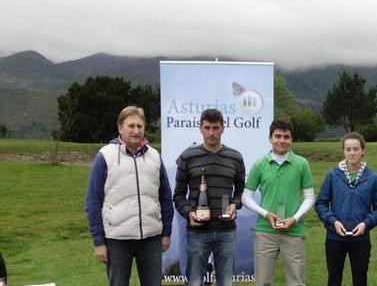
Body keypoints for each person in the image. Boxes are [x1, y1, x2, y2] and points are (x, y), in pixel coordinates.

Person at [85, 106, 173, 286]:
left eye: (140, 126)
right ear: (120, 128)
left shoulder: (155, 156)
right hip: (117, 239)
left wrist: (166, 233)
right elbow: (93, 202)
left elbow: (165, 197)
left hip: (150, 238)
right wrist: (98, 241)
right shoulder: (105, 156)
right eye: (131, 126)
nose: (136, 131)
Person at [172, 108, 245, 286]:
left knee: (226, 282)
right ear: (200, 128)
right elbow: (179, 195)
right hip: (197, 232)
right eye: (207, 128)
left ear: (222, 128)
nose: (211, 133)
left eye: (215, 127)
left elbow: (241, 191)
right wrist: (189, 213)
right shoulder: (187, 157)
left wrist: (235, 204)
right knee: (195, 281)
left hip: (226, 230)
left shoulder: (235, 157)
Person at [242, 119, 315, 286]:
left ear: (291, 139)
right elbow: (246, 197)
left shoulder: (301, 163)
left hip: (294, 231)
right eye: (278, 136)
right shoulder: (260, 164)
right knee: (263, 282)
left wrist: (295, 218)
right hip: (265, 231)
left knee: (297, 282)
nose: (282, 140)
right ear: (270, 138)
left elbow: (310, 196)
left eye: (286, 137)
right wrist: (266, 214)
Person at [315, 132, 377, 286]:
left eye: (355, 149)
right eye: (348, 149)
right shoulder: (333, 176)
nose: (352, 153)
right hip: (335, 238)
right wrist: (333, 221)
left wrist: (366, 224)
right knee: (334, 279)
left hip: (360, 239)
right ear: (343, 151)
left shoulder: (373, 178)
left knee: (360, 279)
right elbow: (320, 203)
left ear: (363, 150)